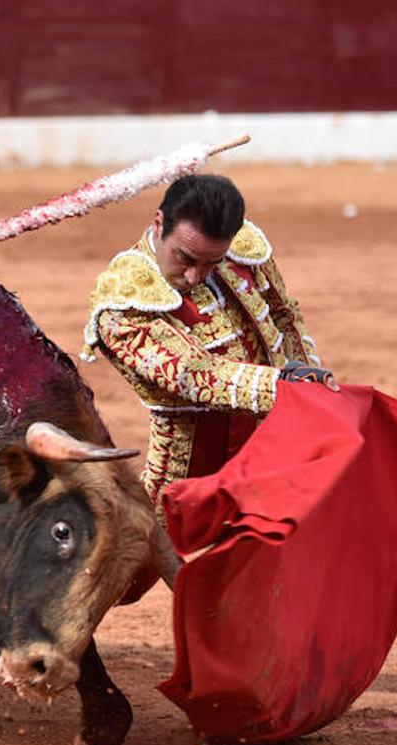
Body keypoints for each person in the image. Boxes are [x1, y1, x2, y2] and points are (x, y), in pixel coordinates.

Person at [81, 174, 336, 510]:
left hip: (273, 455)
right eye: (185, 258)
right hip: (190, 484)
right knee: (168, 559)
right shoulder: (124, 300)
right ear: (159, 224)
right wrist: (289, 386)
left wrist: (308, 382)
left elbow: (283, 315)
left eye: (212, 262)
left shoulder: (238, 253)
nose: (195, 276)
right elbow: (194, 375)